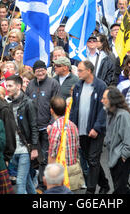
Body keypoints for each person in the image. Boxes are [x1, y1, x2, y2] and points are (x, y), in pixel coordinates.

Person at [70, 60, 110, 194]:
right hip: (81, 129)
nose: (78, 73)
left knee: (93, 159)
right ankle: (104, 184)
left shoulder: (100, 86)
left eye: (81, 70)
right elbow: (74, 108)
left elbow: (104, 109)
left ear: (89, 71)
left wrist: (97, 128)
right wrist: (72, 127)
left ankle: (91, 190)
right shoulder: (78, 86)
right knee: (90, 159)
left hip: (95, 130)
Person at [25, 59, 61, 192]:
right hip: (34, 129)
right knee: (36, 158)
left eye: (42, 70)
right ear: (34, 72)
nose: (40, 72)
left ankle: (45, 184)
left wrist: (52, 124)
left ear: (46, 70)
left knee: (46, 157)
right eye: (37, 71)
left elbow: (57, 105)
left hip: (48, 127)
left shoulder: (53, 84)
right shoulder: (30, 86)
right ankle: (40, 182)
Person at [5, 74, 39, 194]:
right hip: (13, 149)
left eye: (10, 85)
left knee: (20, 182)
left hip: (25, 148)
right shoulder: (7, 103)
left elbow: (34, 126)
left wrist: (34, 148)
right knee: (28, 181)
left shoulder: (28, 103)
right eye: (6, 85)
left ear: (18, 86)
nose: (7, 88)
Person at [102, 86, 130, 194]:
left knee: (119, 190)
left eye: (104, 98)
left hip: (122, 158)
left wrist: (124, 156)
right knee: (122, 189)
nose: (101, 100)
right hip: (114, 157)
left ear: (112, 100)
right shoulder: (109, 114)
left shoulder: (123, 115)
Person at [47, 96, 83, 191]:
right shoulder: (72, 125)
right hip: (74, 167)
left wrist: (50, 174)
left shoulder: (55, 127)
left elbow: (52, 154)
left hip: (61, 171)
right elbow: (77, 146)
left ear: (51, 110)